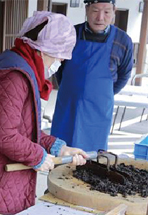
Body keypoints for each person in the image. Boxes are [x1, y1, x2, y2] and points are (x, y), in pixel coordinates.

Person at [0, 12, 88, 215]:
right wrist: (38, 156)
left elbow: (23, 129)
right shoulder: (15, 77)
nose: (58, 62)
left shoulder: (20, 68)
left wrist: (61, 149)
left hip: (2, 179)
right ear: (44, 49)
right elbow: (3, 135)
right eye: (59, 56)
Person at [51, 0, 133, 151]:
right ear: (87, 9)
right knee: (61, 153)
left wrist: (102, 93)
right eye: (95, 10)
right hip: (67, 107)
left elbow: (124, 75)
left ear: (114, 11)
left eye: (107, 12)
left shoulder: (123, 41)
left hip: (98, 111)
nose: (100, 17)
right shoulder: (71, 34)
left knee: (92, 161)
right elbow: (59, 68)